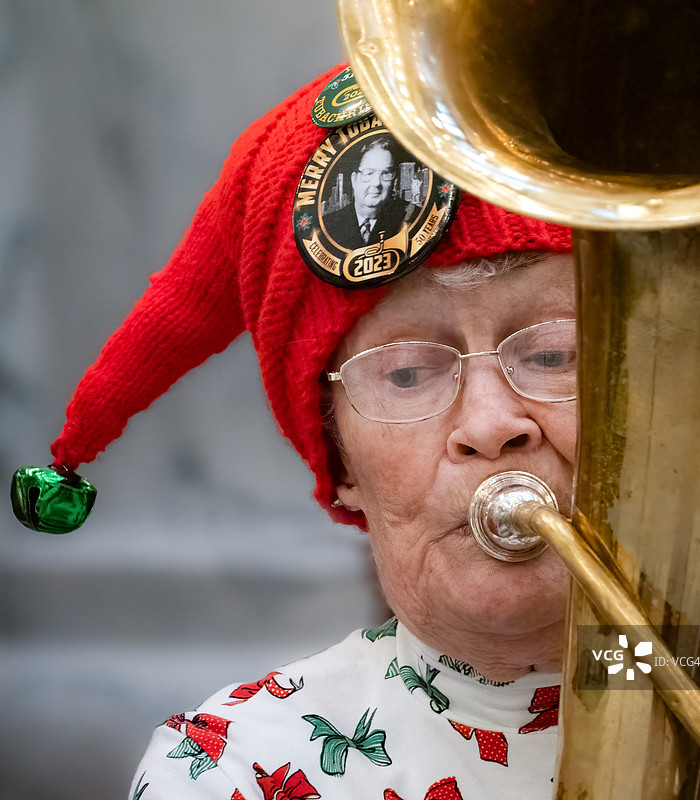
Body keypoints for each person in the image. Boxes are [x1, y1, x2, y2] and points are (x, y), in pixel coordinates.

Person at [34, 64, 574, 799]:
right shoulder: (230, 775)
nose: (488, 425)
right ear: (341, 459)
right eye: (409, 373)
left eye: (552, 354)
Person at [324, 136, 411, 250]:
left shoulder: (406, 219)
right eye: (368, 173)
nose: (376, 183)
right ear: (354, 179)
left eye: (385, 173)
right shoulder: (329, 224)